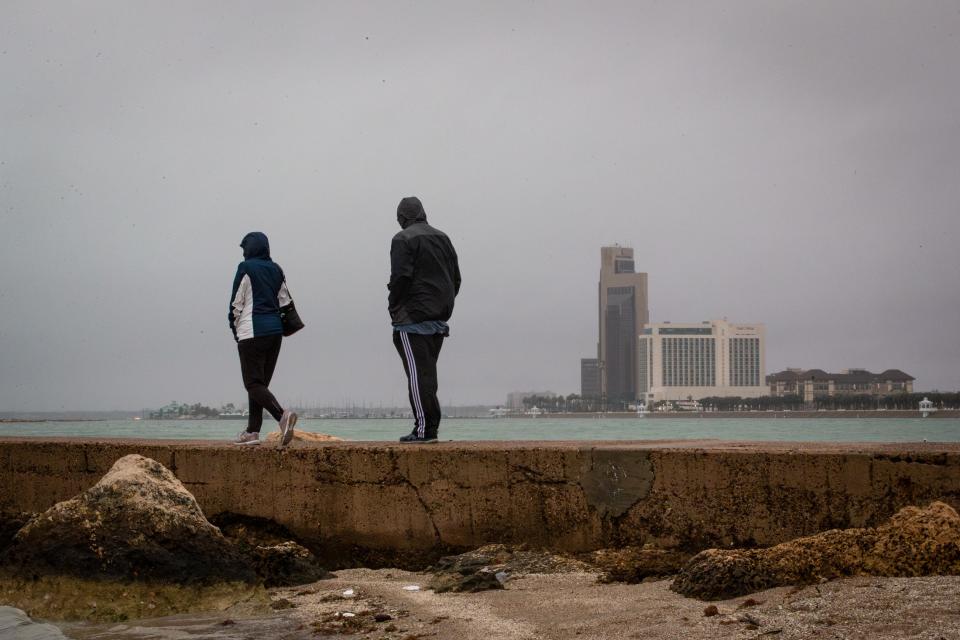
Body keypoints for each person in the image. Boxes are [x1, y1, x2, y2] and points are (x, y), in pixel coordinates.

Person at [388, 196, 461, 443]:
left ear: (403, 217)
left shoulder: (402, 239)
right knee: (428, 375)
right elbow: (456, 278)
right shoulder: (443, 238)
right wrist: (443, 303)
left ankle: (423, 430)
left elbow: (400, 278)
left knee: (418, 377)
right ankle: (431, 428)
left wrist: (393, 305)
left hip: (412, 318)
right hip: (439, 318)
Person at [228, 231, 297, 446]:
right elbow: (285, 300)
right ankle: (252, 432)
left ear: (250, 249)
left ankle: (282, 416)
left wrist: (234, 329)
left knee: (252, 383)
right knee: (260, 385)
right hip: (275, 333)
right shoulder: (276, 269)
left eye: (244, 248)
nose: (243, 252)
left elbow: (236, 304)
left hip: (252, 331)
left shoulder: (245, 268)